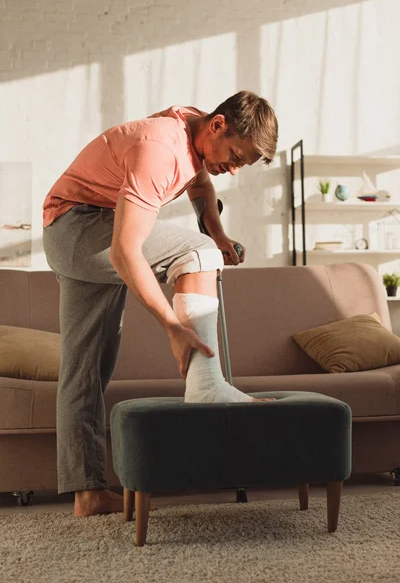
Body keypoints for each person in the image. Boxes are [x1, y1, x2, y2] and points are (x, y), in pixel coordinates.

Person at [42, 90, 279, 517]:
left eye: (241, 165)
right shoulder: (160, 150)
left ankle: (88, 494)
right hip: (83, 227)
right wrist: (172, 325)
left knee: (86, 365)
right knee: (197, 252)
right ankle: (207, 386)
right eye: (234, 156)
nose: (233, 169)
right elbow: (124, 252)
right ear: (219, 124)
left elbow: (201, 181)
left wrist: (219, 232)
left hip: (67, 227)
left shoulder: (192, 128)